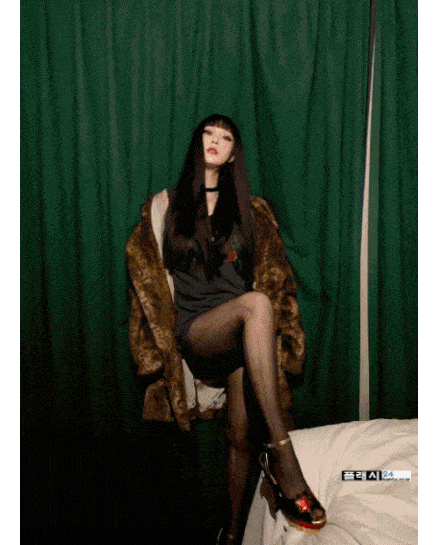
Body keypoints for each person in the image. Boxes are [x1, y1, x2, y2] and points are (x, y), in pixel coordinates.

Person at [126, 114, 326, 544]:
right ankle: (284, 456)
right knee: (257, 305)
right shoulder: (167, 204)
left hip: (244, 335)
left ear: (234, 153)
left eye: (226, 137)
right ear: (197, 141)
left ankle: (232, 533)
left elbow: (268, 273)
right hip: (199, 329)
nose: (215, 141)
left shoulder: (249, 210)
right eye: (208, 133)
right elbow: (153, 279)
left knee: (238, 437)